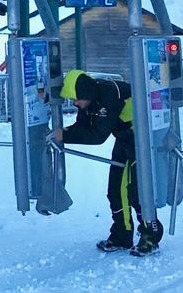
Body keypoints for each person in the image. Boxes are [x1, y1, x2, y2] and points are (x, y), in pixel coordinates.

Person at [56, 69, 164, 255]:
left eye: (76, 99)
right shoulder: (90, 100)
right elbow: (82, 127)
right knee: (116, 190)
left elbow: (97, 135)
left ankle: (151, 235)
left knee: (138, 190)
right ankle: (122, 235)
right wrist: (63, 132)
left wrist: (63, 135)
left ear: (85, 92)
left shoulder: (110, 95)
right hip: (124, 138)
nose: (75, 103)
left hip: (143, 139)